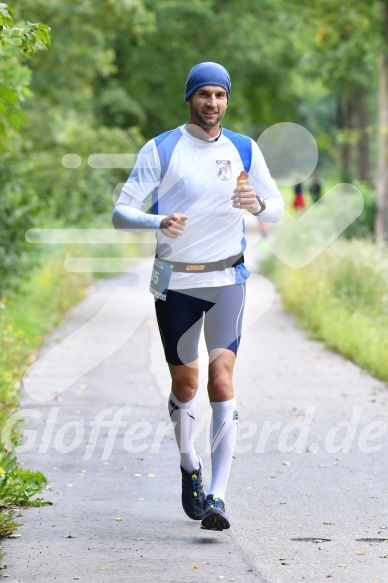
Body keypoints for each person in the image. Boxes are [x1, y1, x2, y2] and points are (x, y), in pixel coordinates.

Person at [112, 62, 284, 531]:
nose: (213, 103)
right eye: (204, 94)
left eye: (220, 95)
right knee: (186, 386)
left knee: (222, 381)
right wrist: (156, 221)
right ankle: (190, 467)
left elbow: (278, 206)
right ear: (190, 97)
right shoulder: (163, 148)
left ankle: (217, 498)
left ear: (228, 99)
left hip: (228, 278)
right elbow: (120, 212)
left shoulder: (244, 148)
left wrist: (261, 205)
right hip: (175, 282)